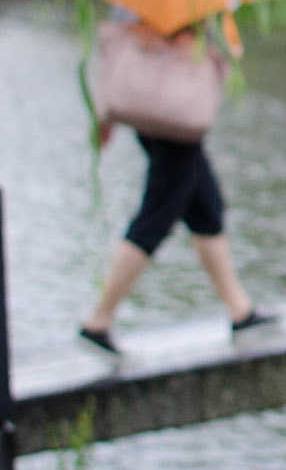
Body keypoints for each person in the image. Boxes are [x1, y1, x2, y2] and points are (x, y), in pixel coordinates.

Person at [80, 18, 272, 353]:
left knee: (206, 209)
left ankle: (240, 311)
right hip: (173, 120)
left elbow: (122, 44)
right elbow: (135, 38)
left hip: (163, 113)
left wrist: (105, 115)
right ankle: (99, 320)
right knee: (156, 217)